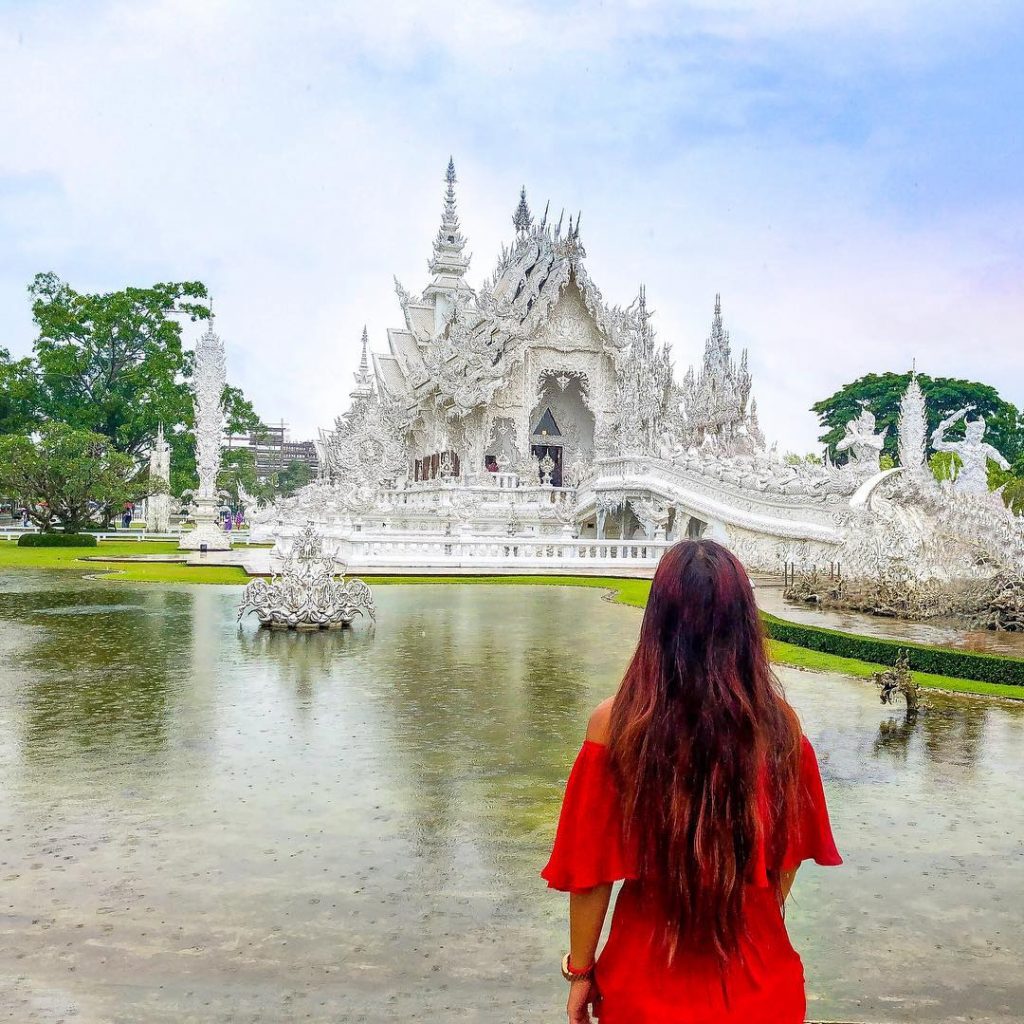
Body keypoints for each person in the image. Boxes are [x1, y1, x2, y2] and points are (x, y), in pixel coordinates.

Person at [542, 539, 841, 1023]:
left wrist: (580, 971)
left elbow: (590, 873)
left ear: (657, 622)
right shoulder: (782, 727)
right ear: (745, 625)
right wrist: (739, 906)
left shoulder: (616, 726)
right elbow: (786, 860)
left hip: (647, 983)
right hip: (761, 984)